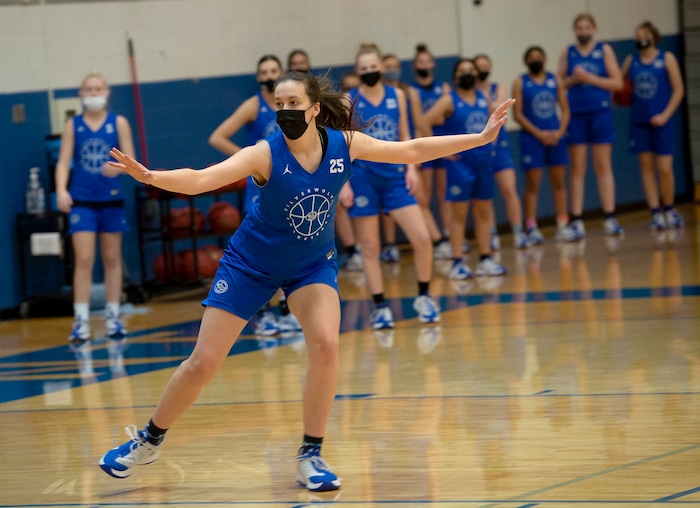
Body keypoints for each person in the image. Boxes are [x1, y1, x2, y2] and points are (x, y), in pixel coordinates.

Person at [97, 70, 513, 491]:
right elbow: (204, 178)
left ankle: (310, 453)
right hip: (250, 264)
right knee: (203, 362)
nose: (285, 111)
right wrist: (151, 176)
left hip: (311, 264)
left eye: (294, 103)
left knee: (327, 344)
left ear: (315, 109)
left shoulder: (344, 143)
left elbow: (411, 149)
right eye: (279, 104)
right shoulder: (265, 153)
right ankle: (148, 441)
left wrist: (478, 138)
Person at [346, 43, 440, 329]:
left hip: (396, 178)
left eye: (374, 67)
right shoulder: (347, 100)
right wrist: (344, 184)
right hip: (363, 178)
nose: (370, 72)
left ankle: (424, 296)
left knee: (422, 239)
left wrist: (412, 168)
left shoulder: (397, 95)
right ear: (358, 71)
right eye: (364, 69)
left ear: (382, 68)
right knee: (370, 247)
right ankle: (380, 306)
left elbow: (405, 135)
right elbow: (343, 144)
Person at [208, 54, 300, 335]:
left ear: (282, 73)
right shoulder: (254, 105)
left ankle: (286, 310)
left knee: (289, 249)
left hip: (290, 187)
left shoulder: (294, 104)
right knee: (265, 251)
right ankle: (267, 314)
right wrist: (247, 160)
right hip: (261, 189)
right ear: (258, 77)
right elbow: (217, 137)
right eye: (264, 72)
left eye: (274, 70)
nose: (269, 75)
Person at [54, 71, 135, 346]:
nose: (93, 93)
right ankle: (81, 320)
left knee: (112, 259)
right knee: (84, 260)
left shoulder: (118, 122)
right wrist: (62, 190)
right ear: (80, 93)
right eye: (88, 89)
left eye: (97, 88)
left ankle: (113, 315)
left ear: (107, 92)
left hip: (111, 200)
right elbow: (63, 162)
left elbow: (131, 160)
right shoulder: (72, 125)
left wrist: (120, 169)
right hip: (83, 200)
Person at [425, 58, 506, 279]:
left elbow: (496, 122)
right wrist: (442, 149)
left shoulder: (483, 98)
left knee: (483, 213)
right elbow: (425, 121)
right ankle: (457, 262)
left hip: (483, 163)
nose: (468, 73)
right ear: (455, 77)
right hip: (460, 165)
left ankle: (485, 259)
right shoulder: (448, 99)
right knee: (458, 216)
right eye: (463, 71)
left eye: (471, 70)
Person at [558, 12, 624, 238]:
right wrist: (574, 79)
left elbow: (618, 83)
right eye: (580, 28)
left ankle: (609, 216)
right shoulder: (568, 52)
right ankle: (576, 219)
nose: (583, 31)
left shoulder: (604, 50)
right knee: (577, 167)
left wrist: (590, 78)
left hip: (600, 112)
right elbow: (558, 85)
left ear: (594, 29)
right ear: (575, 31)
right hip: (576, 114)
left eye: (587, 27)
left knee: (603, 165)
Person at [621, 20, 684, 230]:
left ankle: (670, 208)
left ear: (654, 36)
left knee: (665, 168)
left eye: (644, 34)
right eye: (637, 35)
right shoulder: (631, 61)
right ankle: (655, 213)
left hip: (662, 121)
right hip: (640, 121)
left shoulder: (667, 58)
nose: (640, 38)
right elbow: (620, 87)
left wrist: (666, 115)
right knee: (646, 169)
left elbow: (678, 90)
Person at [381, 52, 444, 263]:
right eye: (387, 65)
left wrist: (422, 152)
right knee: (388, 205)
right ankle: (391, 245)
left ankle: (436, 239)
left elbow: (419, 123)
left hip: (411, 152)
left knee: (421, 197)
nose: (392, 69)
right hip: (386, 155)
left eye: (395, 65)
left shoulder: (408, 93)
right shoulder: (375, 94)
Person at [512, 46, 577, 244]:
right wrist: (539, 134)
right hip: (533, 139)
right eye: (531, 58)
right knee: (533, 183)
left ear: (545, 58)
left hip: (555, 137)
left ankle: (562, 224)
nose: (536, 60)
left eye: (539, 57)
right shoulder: (520, 82)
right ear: (526, 61)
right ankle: (531, 227)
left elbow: (565, 109)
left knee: (559, 181)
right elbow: (518, 114)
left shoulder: (554, 79)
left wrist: (559, 131)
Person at [474, 53, 530, 250]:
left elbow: (496, 109)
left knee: (509, 189)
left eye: (485, 66)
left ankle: (518, 231)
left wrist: (482, 101)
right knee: (486, 195)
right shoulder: (470, 91)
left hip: (501, 146)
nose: (482, 69)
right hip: (481, 149)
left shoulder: (498, 87)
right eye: (478, 66)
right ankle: (492, 235)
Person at [410, 43, 453, 259]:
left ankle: (448, 236)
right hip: (425, 147)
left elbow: (444, 117)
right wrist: (433, 117)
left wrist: (434, 117)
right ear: (414, 65)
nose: (424, 65)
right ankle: (435, 241)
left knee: (444, 193)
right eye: (420, 62)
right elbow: (420, 121)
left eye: (428, 61)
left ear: (433, 64)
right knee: (424, 197)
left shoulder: (443, 88)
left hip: (443, 144)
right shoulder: (411, 91)